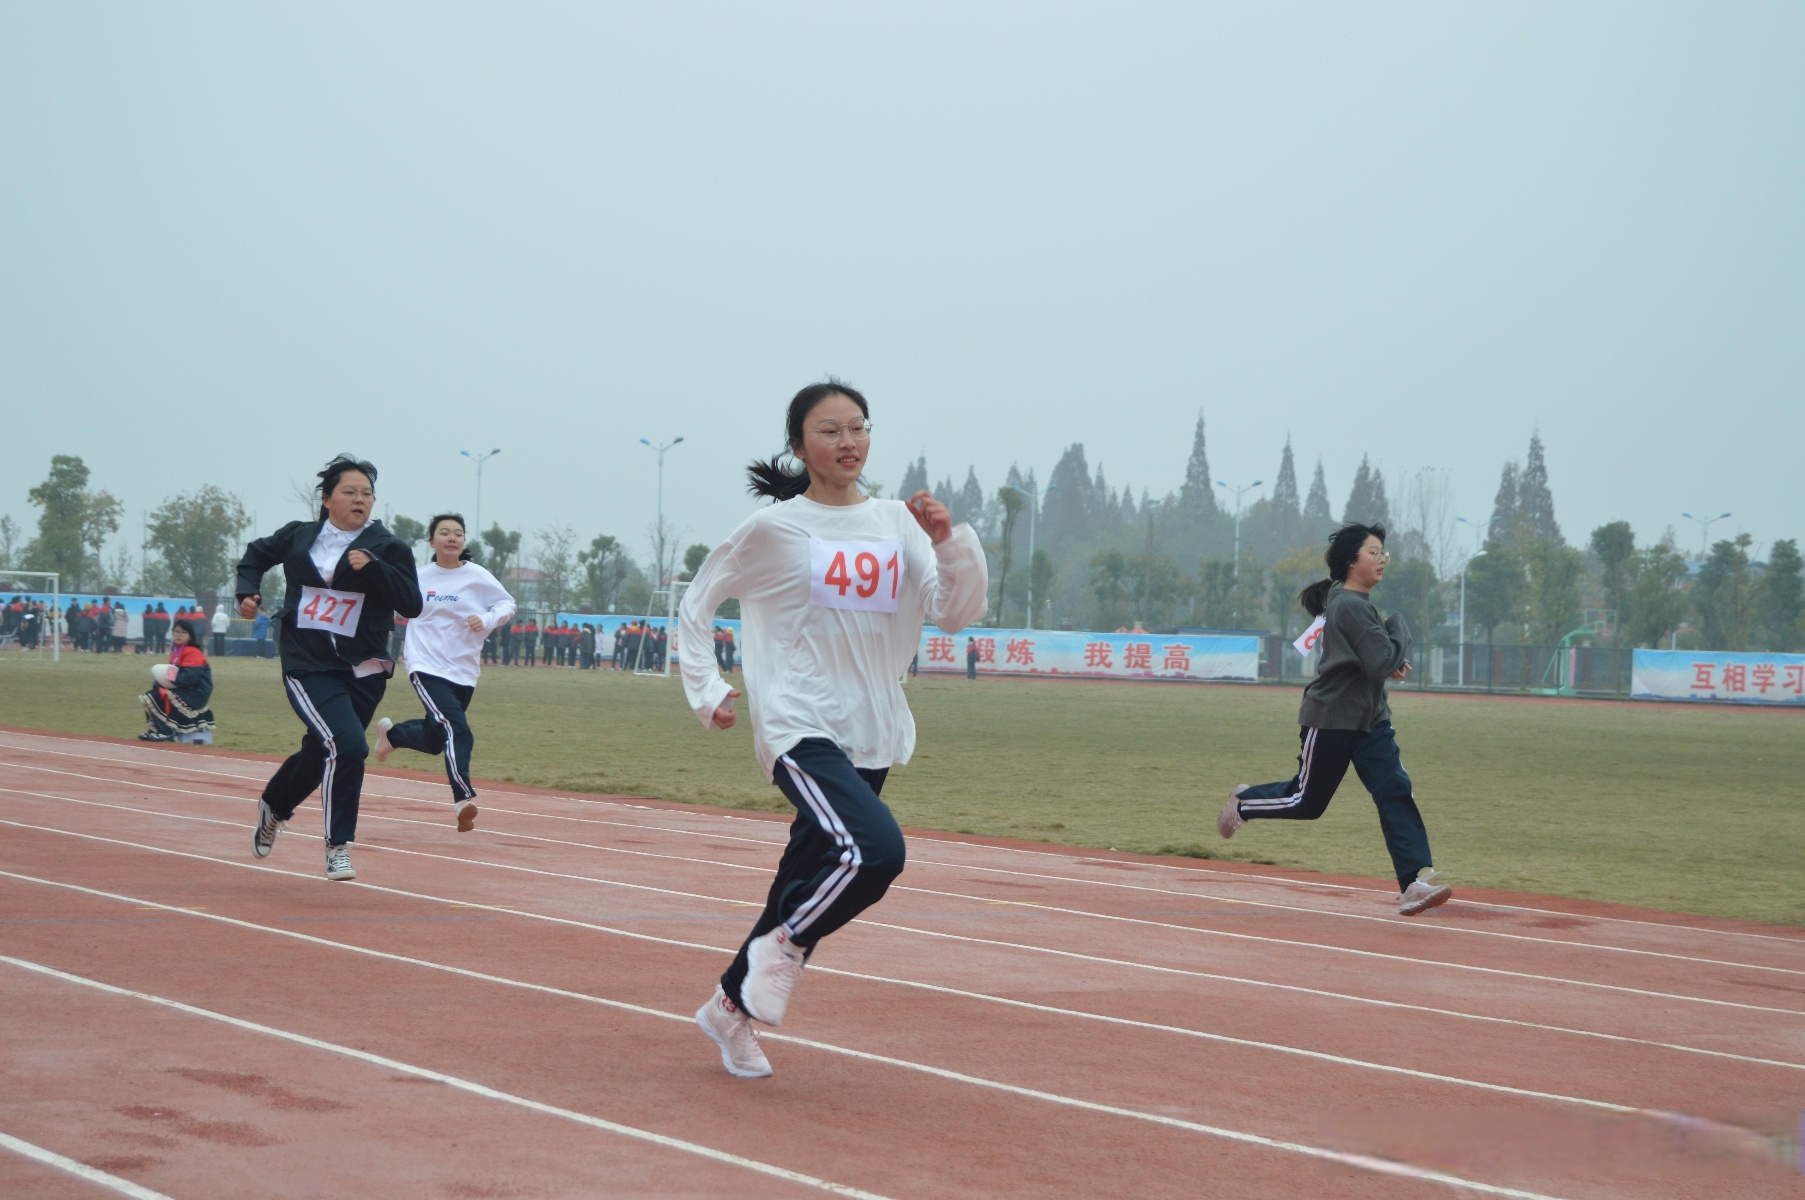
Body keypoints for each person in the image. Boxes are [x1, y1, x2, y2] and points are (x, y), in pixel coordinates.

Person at [680, 380, 988, 1079]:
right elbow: (697, 605)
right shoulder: (773, 528)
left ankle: (730, 1009)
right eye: (829, 430)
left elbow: (953, 612)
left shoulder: (897, 522)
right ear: (799, 447)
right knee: (874, 852)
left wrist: (948, 544)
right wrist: (709, 690)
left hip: (870, 725)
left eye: (858, 427)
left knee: (807, 874)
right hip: (798, 722)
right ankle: (782, 948)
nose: (848, 442)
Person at [1217, 522, 1453, 917]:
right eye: (1373, 552)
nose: (1381, 560)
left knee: (1394, 789)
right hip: (1331, 719)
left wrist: (1390, 659)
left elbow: (1371, 661)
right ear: (1350, 561)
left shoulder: (1356, 605)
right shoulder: (1349, 605)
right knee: (1307, 802)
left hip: (1371, 720)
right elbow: (1379, 660)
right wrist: (1399, 631)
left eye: (1383, 554)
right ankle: (1245, 802)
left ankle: (1412, 882)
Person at [234, 454, 424, 882]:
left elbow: (411, 603)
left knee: (323, 749)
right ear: (326, 499)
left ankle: (274, 805)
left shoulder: (388, 547)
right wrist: (246, 592)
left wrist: (375, 570)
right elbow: (254, 556)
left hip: (364, 668)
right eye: (350, 492)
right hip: (308, 663)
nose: (360, 499)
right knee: (351, 746)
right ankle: (338, 846)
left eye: (367, 494)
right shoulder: (299, 537)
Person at [374, 514, 515, 833]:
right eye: (444, 532)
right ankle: (463, 798)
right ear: (431, 541)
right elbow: (389, 599)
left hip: (464, 670)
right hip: (425, 666)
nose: (452, 538)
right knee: (457, 729)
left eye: (458, 533)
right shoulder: (418, 577)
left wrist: (487, 618)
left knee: (437, 738)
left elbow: (507, 604)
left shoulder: (477, 576)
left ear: (463, 541)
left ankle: (392, 737)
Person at [139, 619, 215, 742]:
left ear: (190, 636)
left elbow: (191, 677)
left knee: (158, 696)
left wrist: (170, 683)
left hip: (196, 692)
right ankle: (156, 730)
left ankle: (166, 732)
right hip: (185, 688)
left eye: (183, 632)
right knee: (154, 692)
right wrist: (160, 683)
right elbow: (171, 674)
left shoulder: (192, 652)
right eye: (176, 632)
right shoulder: (177, 651)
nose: (179, 635)